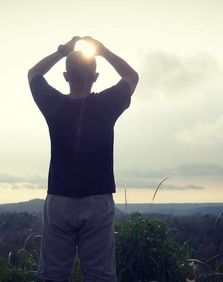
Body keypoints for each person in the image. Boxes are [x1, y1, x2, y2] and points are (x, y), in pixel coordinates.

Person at [27, 36, 139, 282]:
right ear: (96, 77)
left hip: (59, 199)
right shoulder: (107, 104)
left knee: (52, 275)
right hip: (97, 200)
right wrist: (104, 51)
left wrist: (62, 51)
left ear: (66, 77)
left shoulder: (53, 104)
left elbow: (34, 72)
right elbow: (131, 76)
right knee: (100, 276)